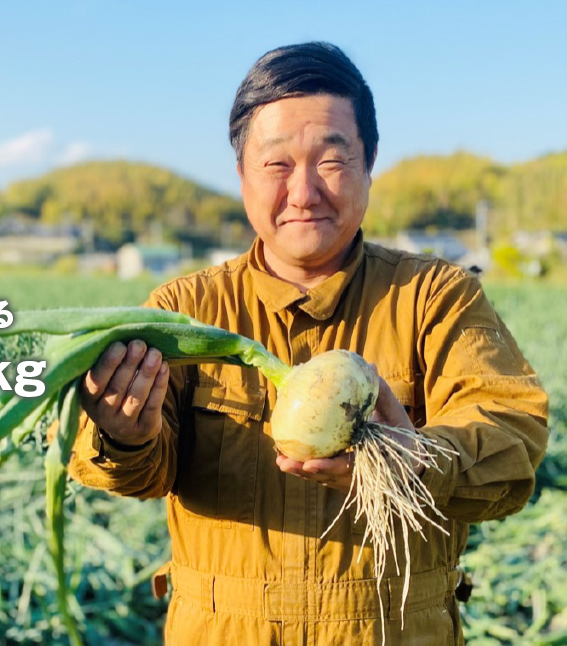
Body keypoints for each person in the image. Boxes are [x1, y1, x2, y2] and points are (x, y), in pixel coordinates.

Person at [70, 42, 548, 645]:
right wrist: (125, 435)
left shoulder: (436, 296)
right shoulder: (184, 312)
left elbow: (512, 435)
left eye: (331, 160)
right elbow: (132, 474)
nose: (303, 191)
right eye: (276, 165)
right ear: (242, 175)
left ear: (369, 166)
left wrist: (408, 463)